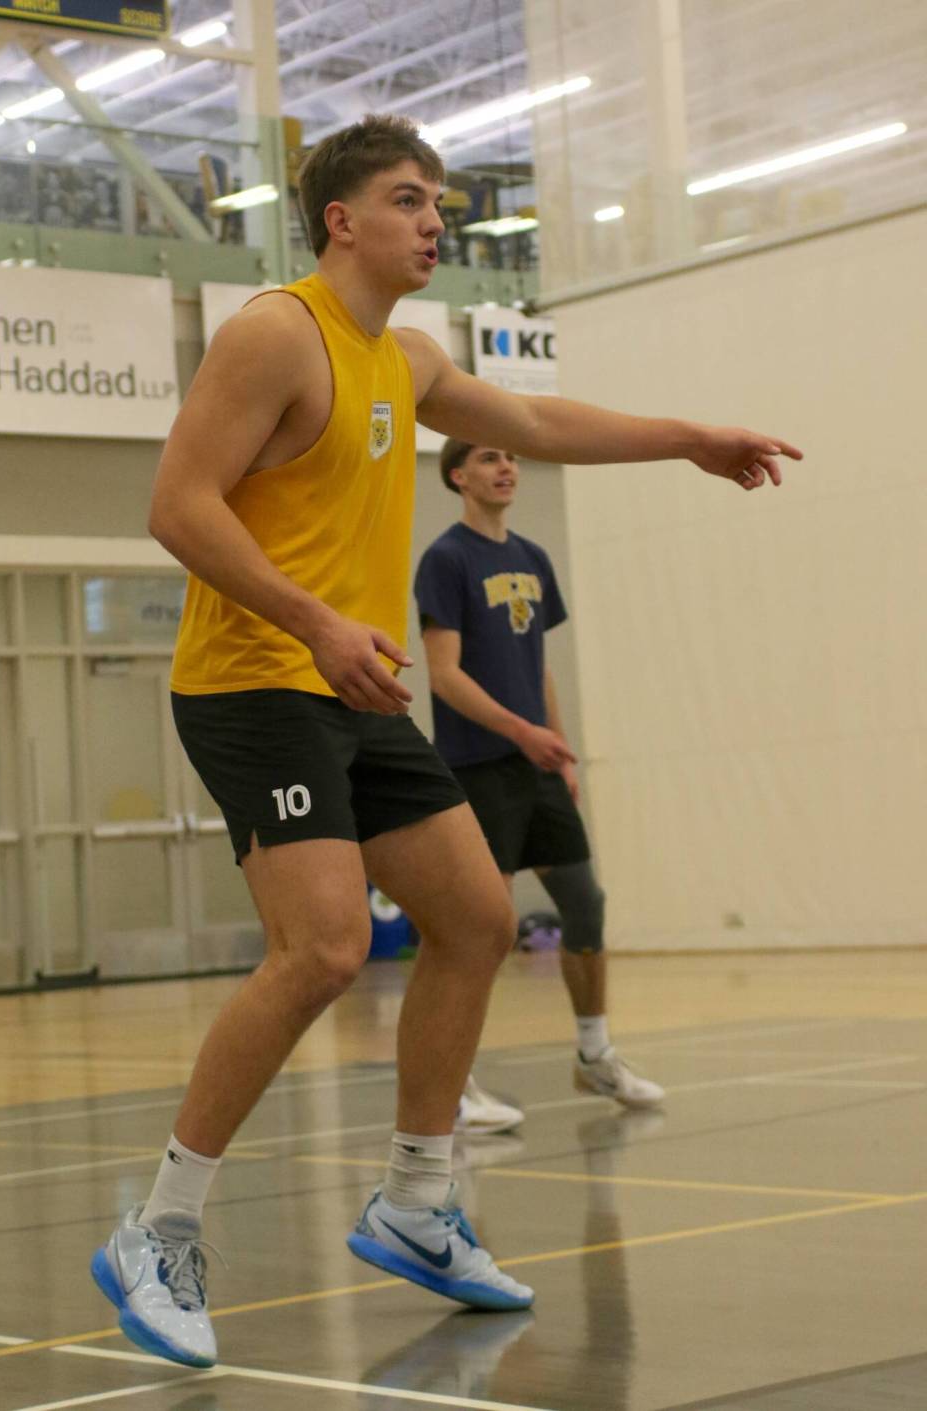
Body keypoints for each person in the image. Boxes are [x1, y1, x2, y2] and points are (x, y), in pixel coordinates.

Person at [89, 114, 801, 1370]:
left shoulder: (406, 358)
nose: (434, 223)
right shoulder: (275, 333)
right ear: (341, 220)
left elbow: (534, 419)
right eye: (410, 200)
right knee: (322, 948)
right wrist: (316, 622)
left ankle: (418, 1202)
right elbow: (176, 506)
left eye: (441, 204)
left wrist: (687, 437)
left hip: (354, 687)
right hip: (256, 682)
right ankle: (160, 1226)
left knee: (474, 919)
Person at [416, 440, 665, 1124]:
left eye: (513, 459)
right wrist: (520, 732)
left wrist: (557, 748)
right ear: (457, 475)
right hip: (479, 765)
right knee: (483, 930)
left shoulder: (532, 557)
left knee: (584, 902)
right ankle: (450, 1083)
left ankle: (595, 1056)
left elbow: (539, 664)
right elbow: (443, 675)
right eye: (489, 458)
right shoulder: (446, 559)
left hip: (535, 765)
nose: (507, 468)